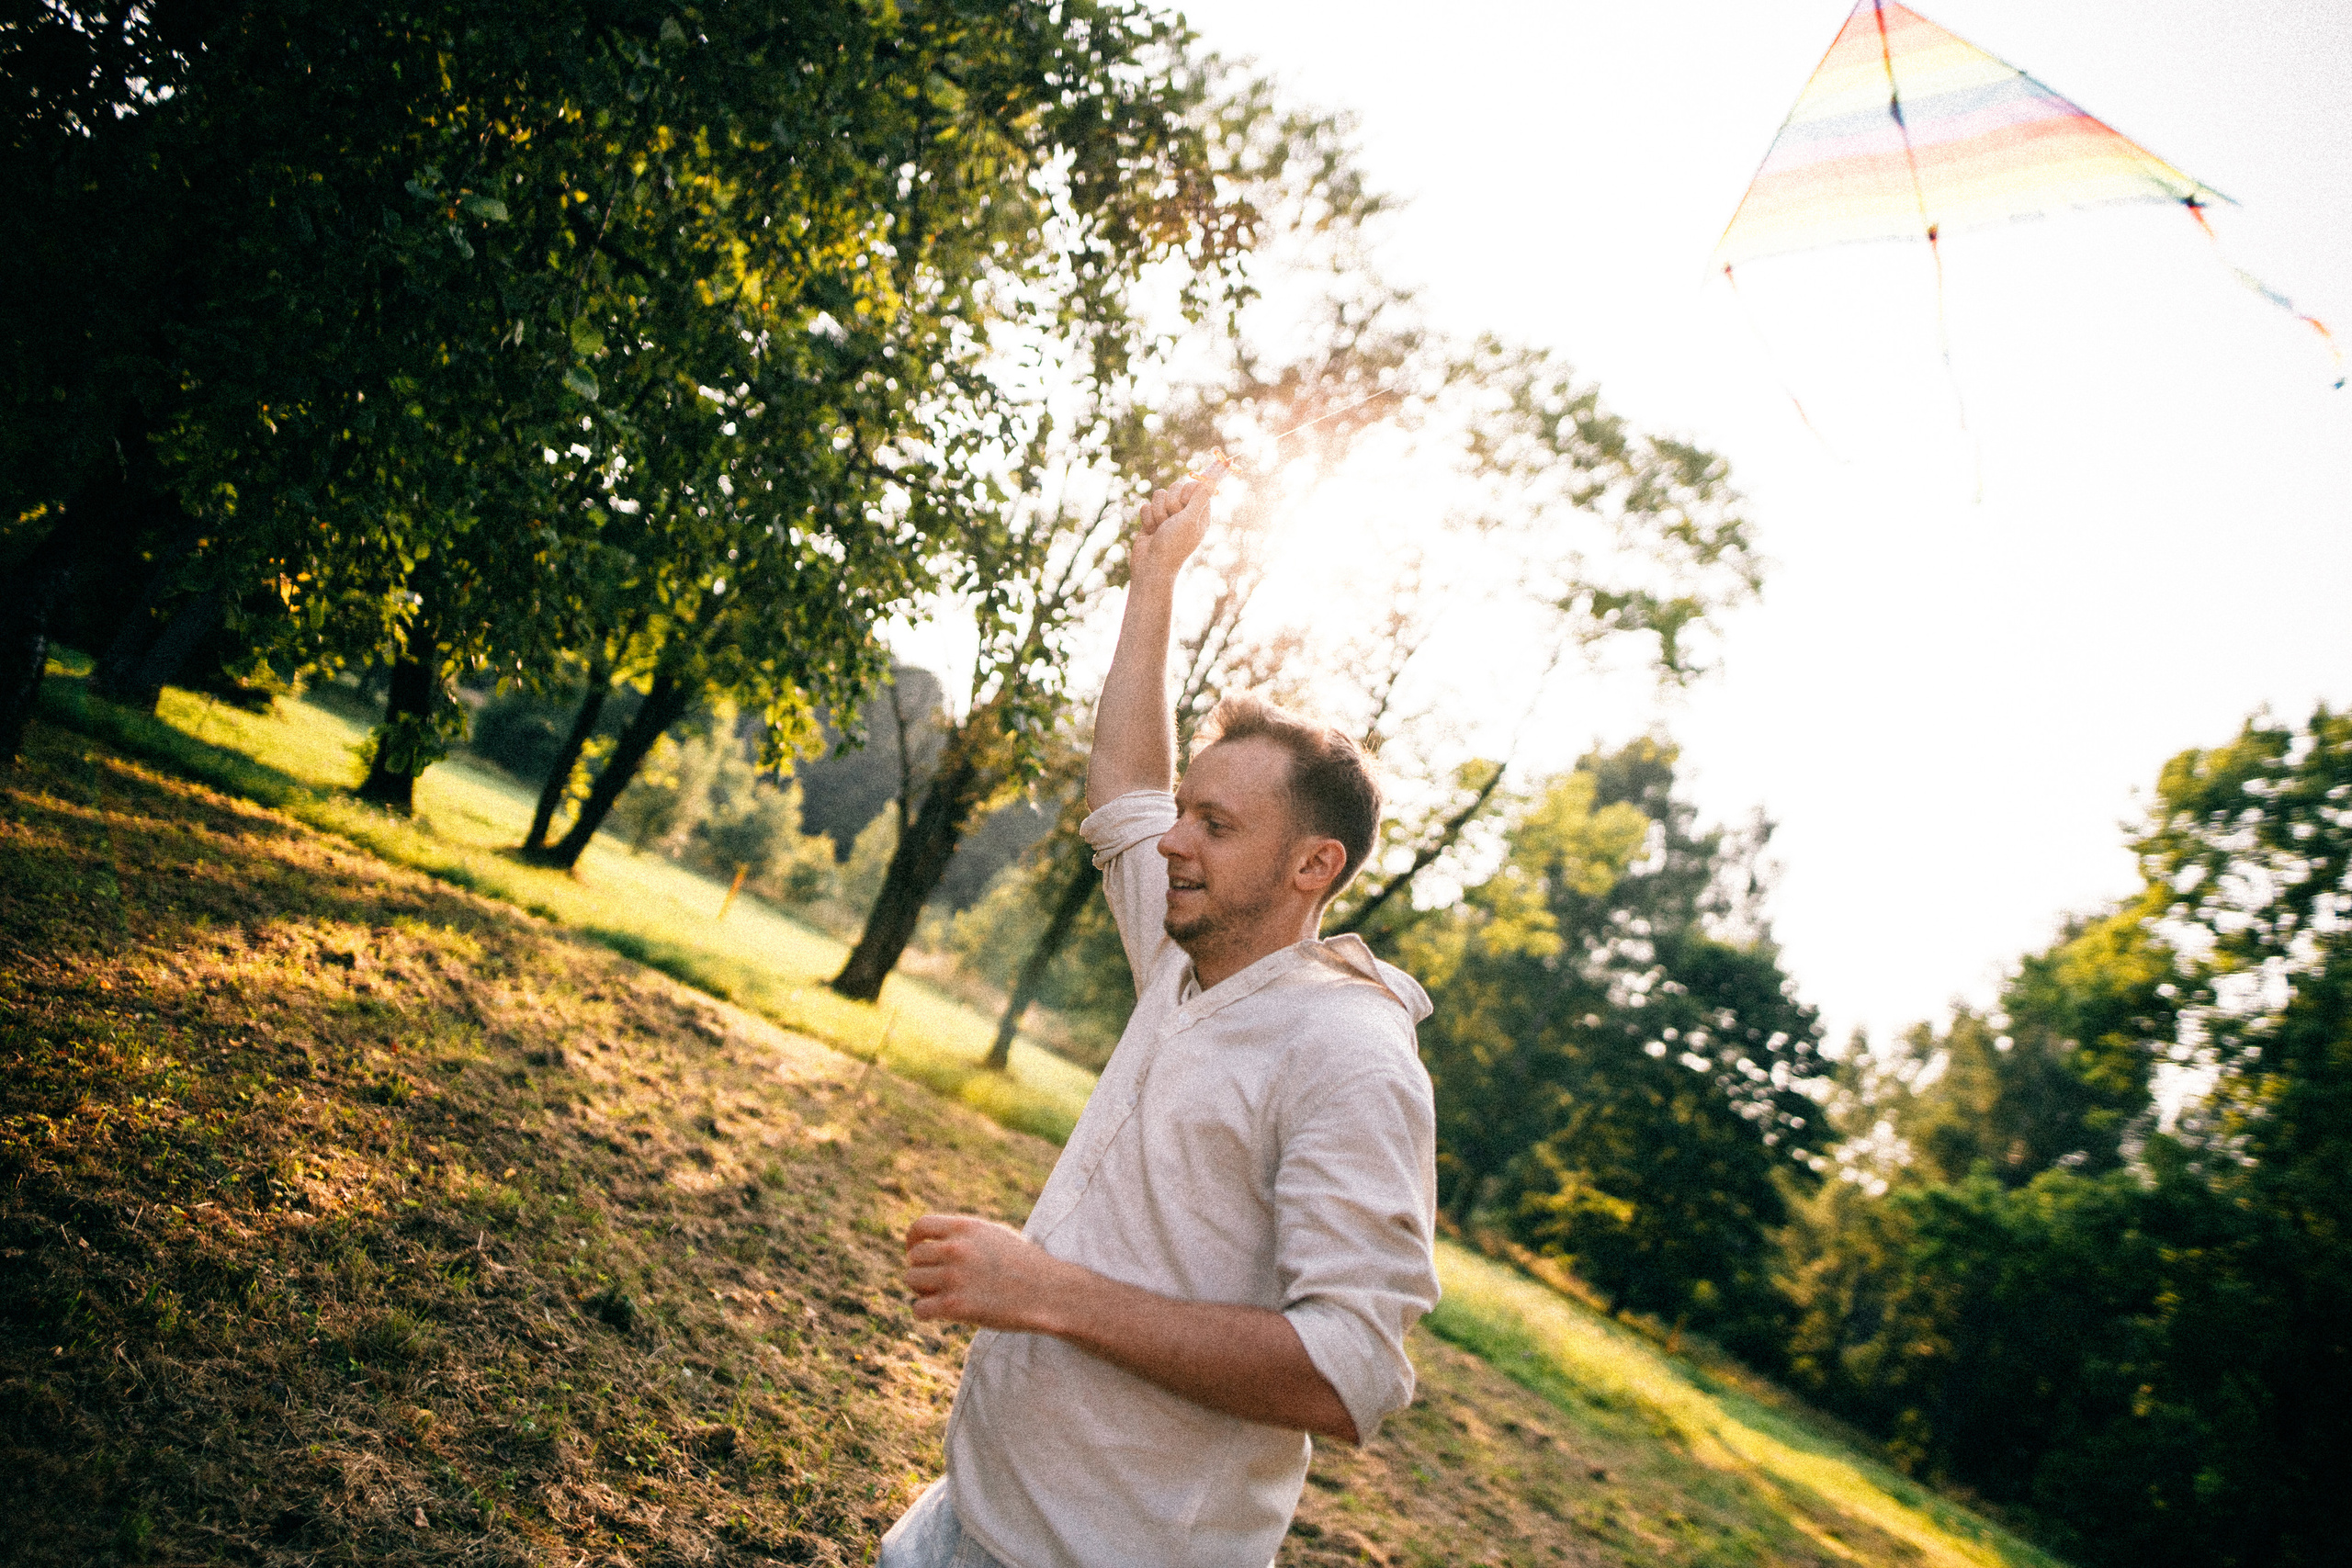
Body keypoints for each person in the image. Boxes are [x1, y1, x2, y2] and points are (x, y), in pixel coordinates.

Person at [879, 468, 1442, 1568]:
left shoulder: (1349, 1056)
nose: (1172, 840)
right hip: (965, 1522)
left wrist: (1044, 1294)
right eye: (1185, 811)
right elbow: (1123, 794)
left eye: (1213, 823)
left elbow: (1348, 1373)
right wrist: (1153, 579)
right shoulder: (1190, 956)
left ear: (1309, 866)